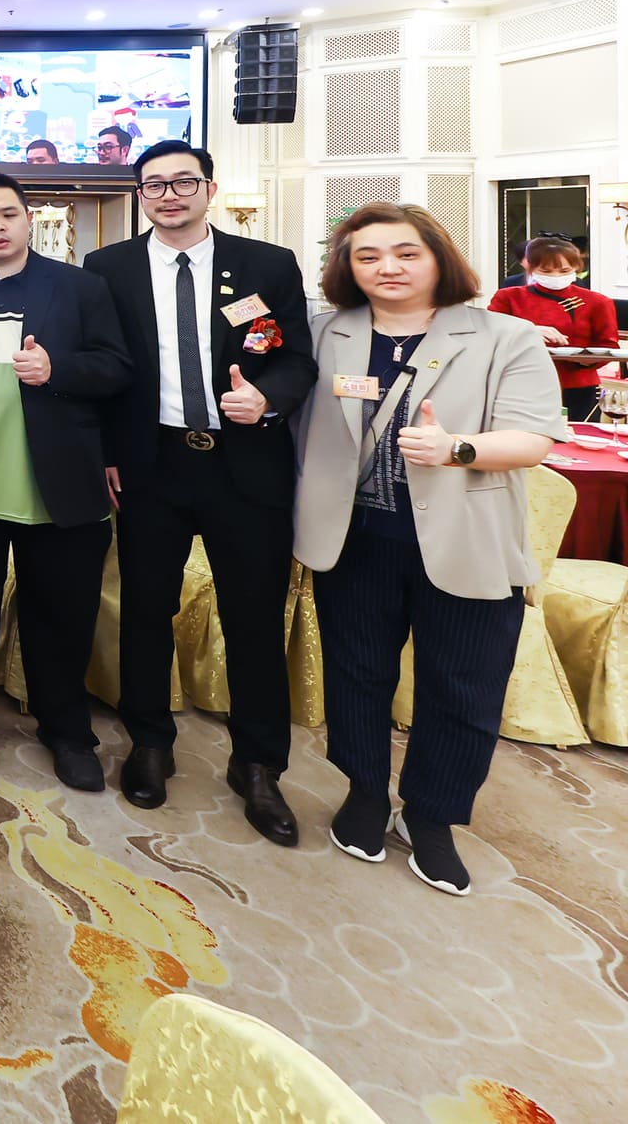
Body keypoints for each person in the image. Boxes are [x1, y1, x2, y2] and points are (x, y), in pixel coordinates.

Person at [295, 203, 565, 895]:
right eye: (368, 256)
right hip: (355, 541)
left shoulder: (503, 336)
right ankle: (363, 791)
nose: (387, 267)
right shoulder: (326, 333)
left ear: (439, 257)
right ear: (347, 267)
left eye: (405, 252)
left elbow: (535, 437)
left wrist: (457, 448)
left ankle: (432, 814)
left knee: (463, 685)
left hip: (466, 540)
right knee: (357, 675)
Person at [85, 141, 316, 843]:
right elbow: (105, 371)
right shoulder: (108, 268)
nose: (169, 194)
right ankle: (150, 742)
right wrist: (107, 454)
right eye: (154, 185)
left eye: (184, 181)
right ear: (140, 197)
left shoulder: (267, 264)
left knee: (252, 617)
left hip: (245, 465)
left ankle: (258, 764)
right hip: (151, 464)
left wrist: (268, 400)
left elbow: (296, 358)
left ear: (210, 189)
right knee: (145, 610)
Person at [0, 171, 132, 789]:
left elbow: (118, 369)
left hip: (59, 482)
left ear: (29, 219)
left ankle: (66, 730)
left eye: (8, 214)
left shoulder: (80, 286)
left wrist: (56, 369)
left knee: (62, 616)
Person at [488, 236, 616, 421]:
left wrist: (580, 358)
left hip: (576, 385)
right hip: (521, 381)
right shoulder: (509, 297)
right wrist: (529, 331)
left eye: (564, 271)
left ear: (576, 268)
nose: (556, 277)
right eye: (546, 271)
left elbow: (608, 345)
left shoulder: (597, 302)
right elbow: (490, 333)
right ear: (530, 268)